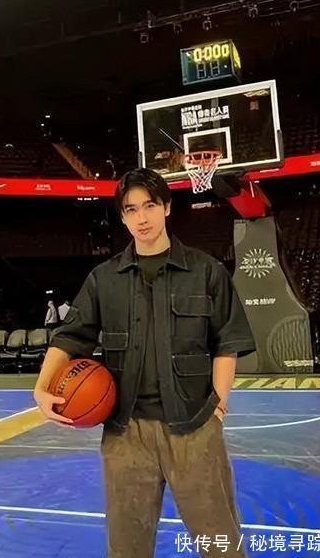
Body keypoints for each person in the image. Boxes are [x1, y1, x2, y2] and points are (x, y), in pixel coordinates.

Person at [33, 168, 256, 558]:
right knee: (127, 547)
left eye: (150, 206)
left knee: (219, 542)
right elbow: (70, 336)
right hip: (126, 432)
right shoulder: (104, 279)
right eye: (131, 209)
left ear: (166, 207)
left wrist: (218, 407)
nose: (142, 217)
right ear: (122, 217)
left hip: (194, 426)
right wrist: (41, 386)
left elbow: (227, 342)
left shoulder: (206, 271)